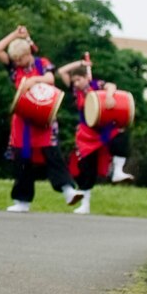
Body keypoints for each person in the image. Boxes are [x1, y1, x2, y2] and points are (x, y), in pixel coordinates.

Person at [0, 27, 80, 213]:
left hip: (44, 116)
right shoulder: (15, 69)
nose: (18, 62)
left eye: (21, 59)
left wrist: (33, 81)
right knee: (22, 158)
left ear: (28, 53)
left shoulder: (42, 63)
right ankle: (22, 201)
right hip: (22, 120)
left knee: (52, 154)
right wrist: (15, 35)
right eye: (15, 60)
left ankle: (68, 190)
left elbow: (49, 78)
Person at [61, 55, 132, 215]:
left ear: (87, 77)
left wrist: (108, 95)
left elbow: (112, 85)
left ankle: (118, 171)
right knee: (87, 168)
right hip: (86, 133)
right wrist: (80, 63)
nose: (76, 83)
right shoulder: (75, 90)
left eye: (79, 79)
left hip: (103, 129)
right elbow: (62, 71)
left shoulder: (96, 85)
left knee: (120, 138)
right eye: (75, 81)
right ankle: (85, 204)